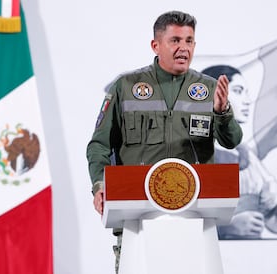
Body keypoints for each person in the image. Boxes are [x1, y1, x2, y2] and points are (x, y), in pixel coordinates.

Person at [86, 11, 243, 273]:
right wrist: (100, 184)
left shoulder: (209, 89)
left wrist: (222, 112)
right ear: (156, 45)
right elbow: (99, 145)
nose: (184, 47)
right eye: (176, 40)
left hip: (195, 222)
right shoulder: (126, 87)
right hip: (137, 222)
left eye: (190, 41)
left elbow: (232, 141)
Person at [202, 65, 277, 239]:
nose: (247, 100)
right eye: (238, 91)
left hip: (251, 257)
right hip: (214, 255)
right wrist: (225, 228)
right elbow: (174, 219)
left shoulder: (247, 156)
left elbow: (276, 224)